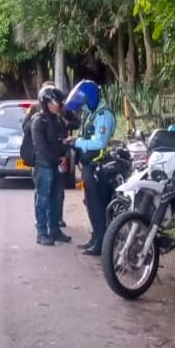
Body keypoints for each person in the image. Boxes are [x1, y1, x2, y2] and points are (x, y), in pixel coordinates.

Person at [66, 80, 116, 256]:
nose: (83, 108)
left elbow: (100, 142)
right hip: (88, 165)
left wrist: (78, 142)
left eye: (85, 103)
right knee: (90, 204)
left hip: (98, 167)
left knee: (97, 205)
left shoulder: (103, 115)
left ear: (92, 99)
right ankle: (96, 237)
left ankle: (102, 243)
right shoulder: (92, 114)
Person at [24, 84, 71, 246]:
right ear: (46, 103)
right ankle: (42, 232)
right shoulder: (38, 121)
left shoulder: (58, 120)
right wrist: (56, 159)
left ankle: (55, 231)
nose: (58, 105)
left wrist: (65, 156)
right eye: (54, 102)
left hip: (57, 165)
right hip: (44, 166)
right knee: (43, 199)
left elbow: (64, 138)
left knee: (57, 199)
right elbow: (40, 147)